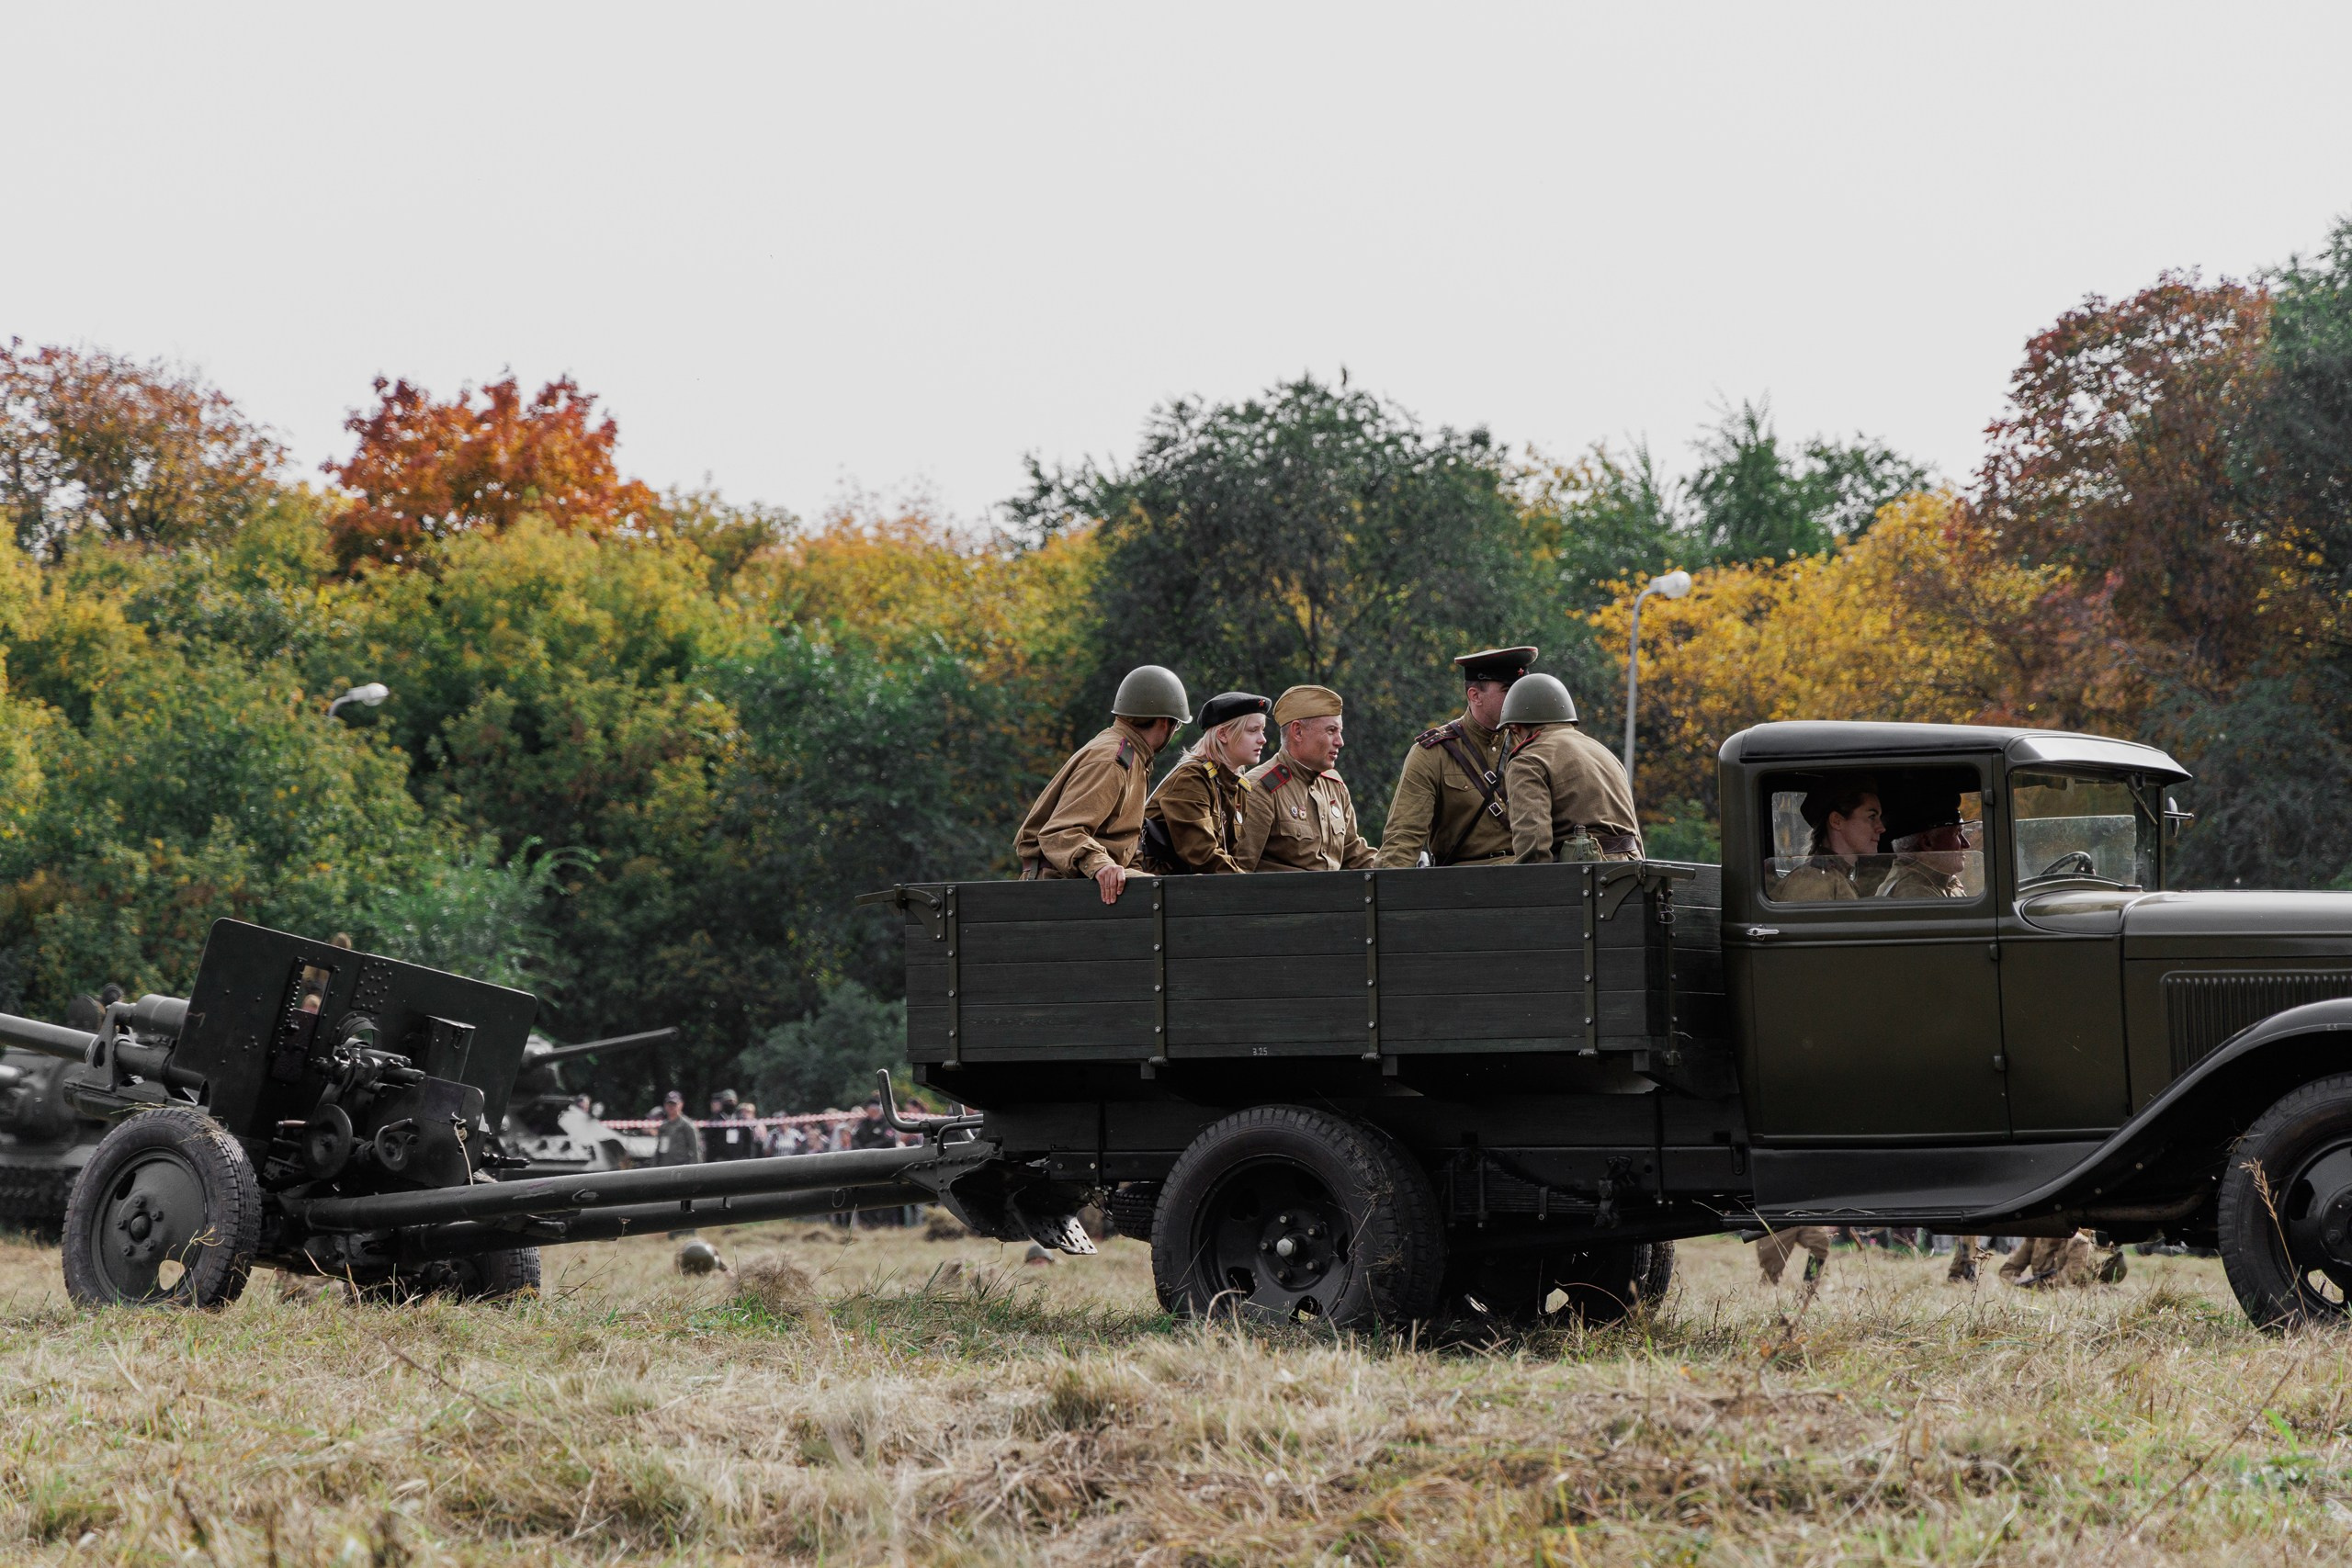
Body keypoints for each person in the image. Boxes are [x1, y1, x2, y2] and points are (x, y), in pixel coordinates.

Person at [1012, 664, 1191, 904]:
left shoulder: (1132, 756)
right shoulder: (1111, 761)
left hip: (1083, 886)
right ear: (1163, 722)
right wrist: (1100, 865)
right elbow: (1060, 832)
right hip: (1056, 888)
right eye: (1176, 724)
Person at [1377, 647, 1535, 868]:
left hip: (1532, 878)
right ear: (1475, 696)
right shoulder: (1433, 753)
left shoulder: (1533, 744)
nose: (1518, 699)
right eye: (1508, 690)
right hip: (1463, 887)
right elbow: (1403, 838)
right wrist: (1389, 896)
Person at [1496, 673, 1642, 863]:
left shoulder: (1528, 760)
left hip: (1585, 877)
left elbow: (1533, 847)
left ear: (1515, 726)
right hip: (1632, 868)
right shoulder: (1602, 752)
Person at [1237, 685, 1377, 873]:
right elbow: (1238, 871)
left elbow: (1353, 853)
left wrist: (1398, 867)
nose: (1340, 741)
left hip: (1332, 899)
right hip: (1284, 900)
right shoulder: (1260, 788)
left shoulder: (1333, 784)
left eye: (1339, 731)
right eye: (1331, 731)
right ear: (1298, 732)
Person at [1141, 691, 1271, 874]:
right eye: (1252, 730)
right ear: (1223, 735)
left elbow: (1229, 854)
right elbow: (1202, 855)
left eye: (1262, 730)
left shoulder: (1235, 785)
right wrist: (1249, 888)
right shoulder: (1192, 778)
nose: (1263, 739)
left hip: (1192, 888)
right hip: (1157, 890)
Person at [1773, 778, 1883, 901]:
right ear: (1836, 821)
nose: (1882, 828)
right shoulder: (1812, 882)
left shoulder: (1834, 878)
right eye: (1872, 817)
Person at [1880, 793, 1973, 899]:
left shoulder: (1941, 882)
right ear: (1927, 842)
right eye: (1957, 834)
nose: (1966, 844)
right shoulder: (1914, 892)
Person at [1756, 1225, 1833, 1285]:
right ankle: (1767, 1289)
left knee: (1820, 1241)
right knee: (1772, 1266)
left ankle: (1810, 1284)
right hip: (1778, 1215)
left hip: (1802, 1212)